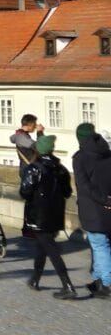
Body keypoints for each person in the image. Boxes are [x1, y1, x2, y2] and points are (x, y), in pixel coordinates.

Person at [21, 135, 77, 299]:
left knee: (51, 249)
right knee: (42, 246)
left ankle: (68, 285)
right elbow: (67, 192)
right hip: (56, 214)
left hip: (39, 215)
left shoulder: (34, 169)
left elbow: (25, 191)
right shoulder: (61, 169)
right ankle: (35, 279)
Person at [72, 123, 111, 298]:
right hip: (107, 208)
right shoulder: (106, 153)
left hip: (94, 210)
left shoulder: (81, 158)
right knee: (102, 245)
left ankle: (107, 284)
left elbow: (84, 186)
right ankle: (98, 280)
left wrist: (104, 200)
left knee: (100, 246)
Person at [11, 113, 45, 179]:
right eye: (34, 124)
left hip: (27, 168)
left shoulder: (21, 135)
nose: (35, 127)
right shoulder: (22, 137)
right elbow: (41, 148)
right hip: (29, 170)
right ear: (30, 124)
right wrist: (40, 132)